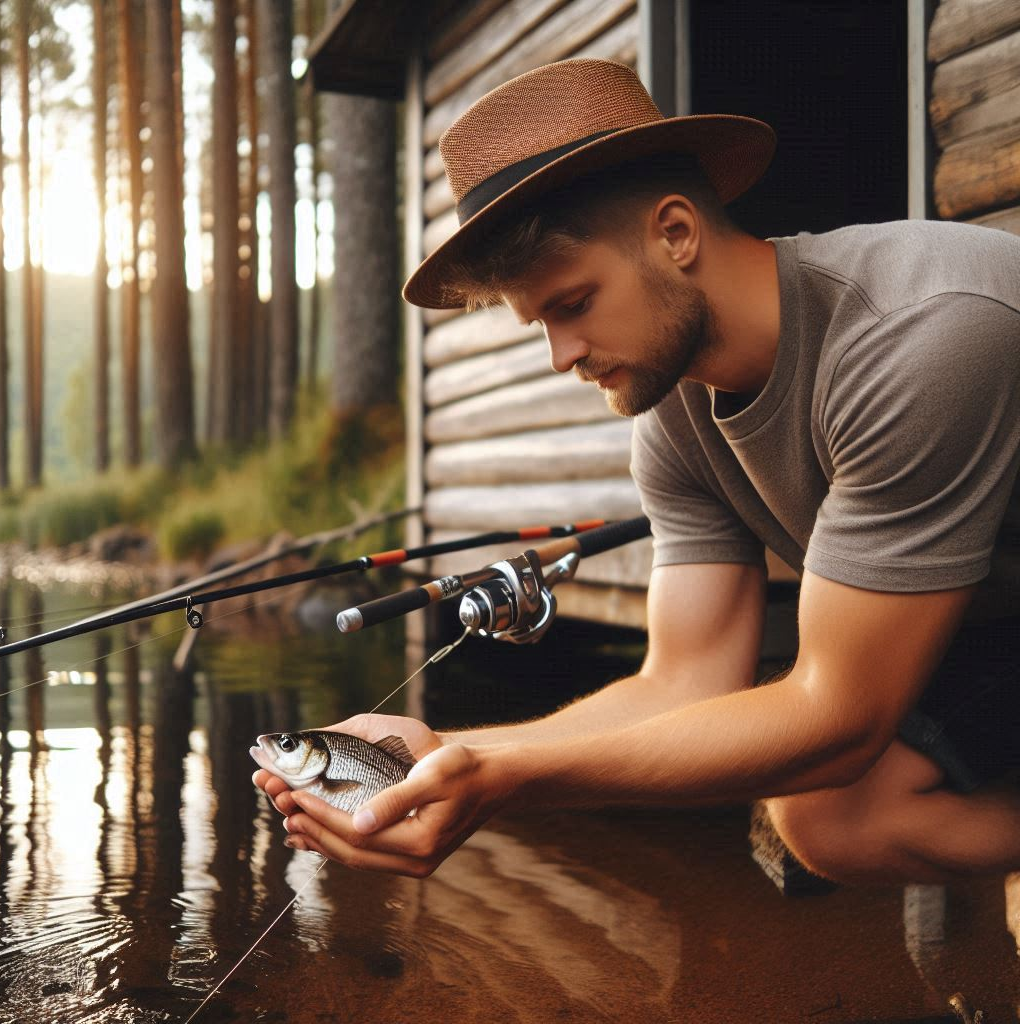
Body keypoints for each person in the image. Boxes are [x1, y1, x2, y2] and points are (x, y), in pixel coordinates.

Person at [253, 58, 1020, 885]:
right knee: (825, 819)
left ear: (677, 233)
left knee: (824, 775)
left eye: (573, 304)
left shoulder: (916, 339)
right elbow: (683, 682)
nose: (562, 356)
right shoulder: (674, 413)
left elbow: (839, 720)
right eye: (538, 323)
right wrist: (445, 755)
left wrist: (511, 781)